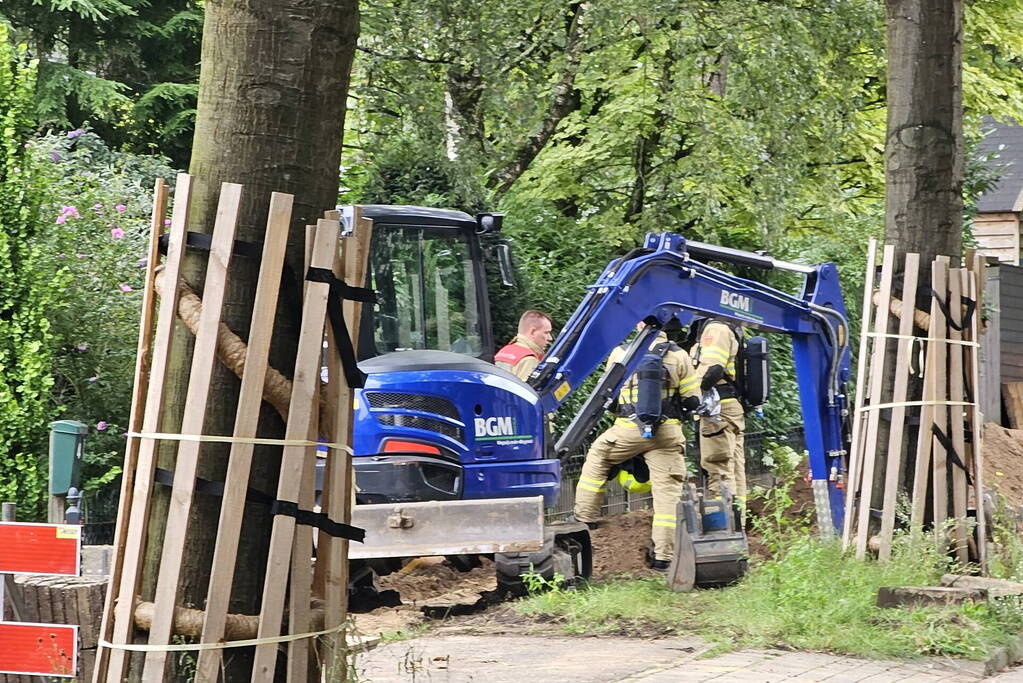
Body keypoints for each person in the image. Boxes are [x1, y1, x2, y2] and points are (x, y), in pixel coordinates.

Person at [572, 323, 701, 571]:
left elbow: (608, 399)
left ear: (640, 324)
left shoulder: (621, 353)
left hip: (628, 429)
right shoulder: (679, 355)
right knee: (668, 495)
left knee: (599, 455)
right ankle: (665, 557)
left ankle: (584, 517)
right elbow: (693, 400)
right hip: (667, 433)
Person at [692, 317, 747, 513]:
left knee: (718, 468)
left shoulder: (715, 328)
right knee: (733, 467)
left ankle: (724, 524)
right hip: (729, 406)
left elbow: (712, 370)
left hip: (718, 410)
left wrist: (689, 395)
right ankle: (738, 522)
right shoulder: (728, 326)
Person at [494, 310, 553, 381]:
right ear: (533, 332)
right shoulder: (528, 360)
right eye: (546, 333)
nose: (550, 338)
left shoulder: (504, 351)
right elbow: (530, 391)